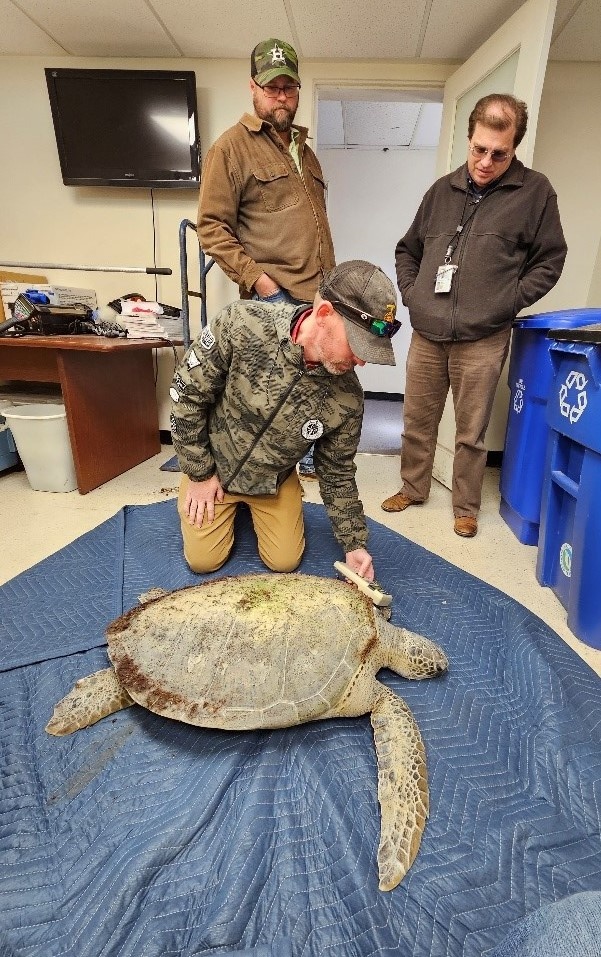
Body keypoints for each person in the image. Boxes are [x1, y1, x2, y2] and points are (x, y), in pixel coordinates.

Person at [381, 93, 567, 538]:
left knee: (470, 431)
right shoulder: (441, 190)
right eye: (478, 149)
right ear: (469, 139)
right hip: (428, 332)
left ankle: (465, 505)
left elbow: (550, 260)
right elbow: (408, 250)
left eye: (498, 154)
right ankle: (413, 487)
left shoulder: (535, 192)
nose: (485, 162)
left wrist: (507, 301)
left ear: (514, 148)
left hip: (484, 336)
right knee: (417, 420)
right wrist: (413, 294)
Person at [170, 260, 400, 583]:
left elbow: (337, 471)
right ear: (323, 316)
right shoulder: (242, 323)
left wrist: (354, 543)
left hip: (273, 478)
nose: (361, 360)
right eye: (358, 345)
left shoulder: (348, 398)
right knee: (203, 561)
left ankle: (265, 502)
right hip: (216, 465)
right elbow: (187, 395)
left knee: (284, 561)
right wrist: (198, 473)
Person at [198, 37, 336, 479]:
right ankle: (255, 472)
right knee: (266, 394)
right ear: (253, 88)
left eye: (289, 88)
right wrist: (263, 284)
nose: (281, 96)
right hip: (273, 298)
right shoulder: (230, 148)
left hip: (318, 295)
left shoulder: (305, 151)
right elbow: (212, 228)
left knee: (311, 385)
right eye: (272, 87)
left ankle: (306, 458)